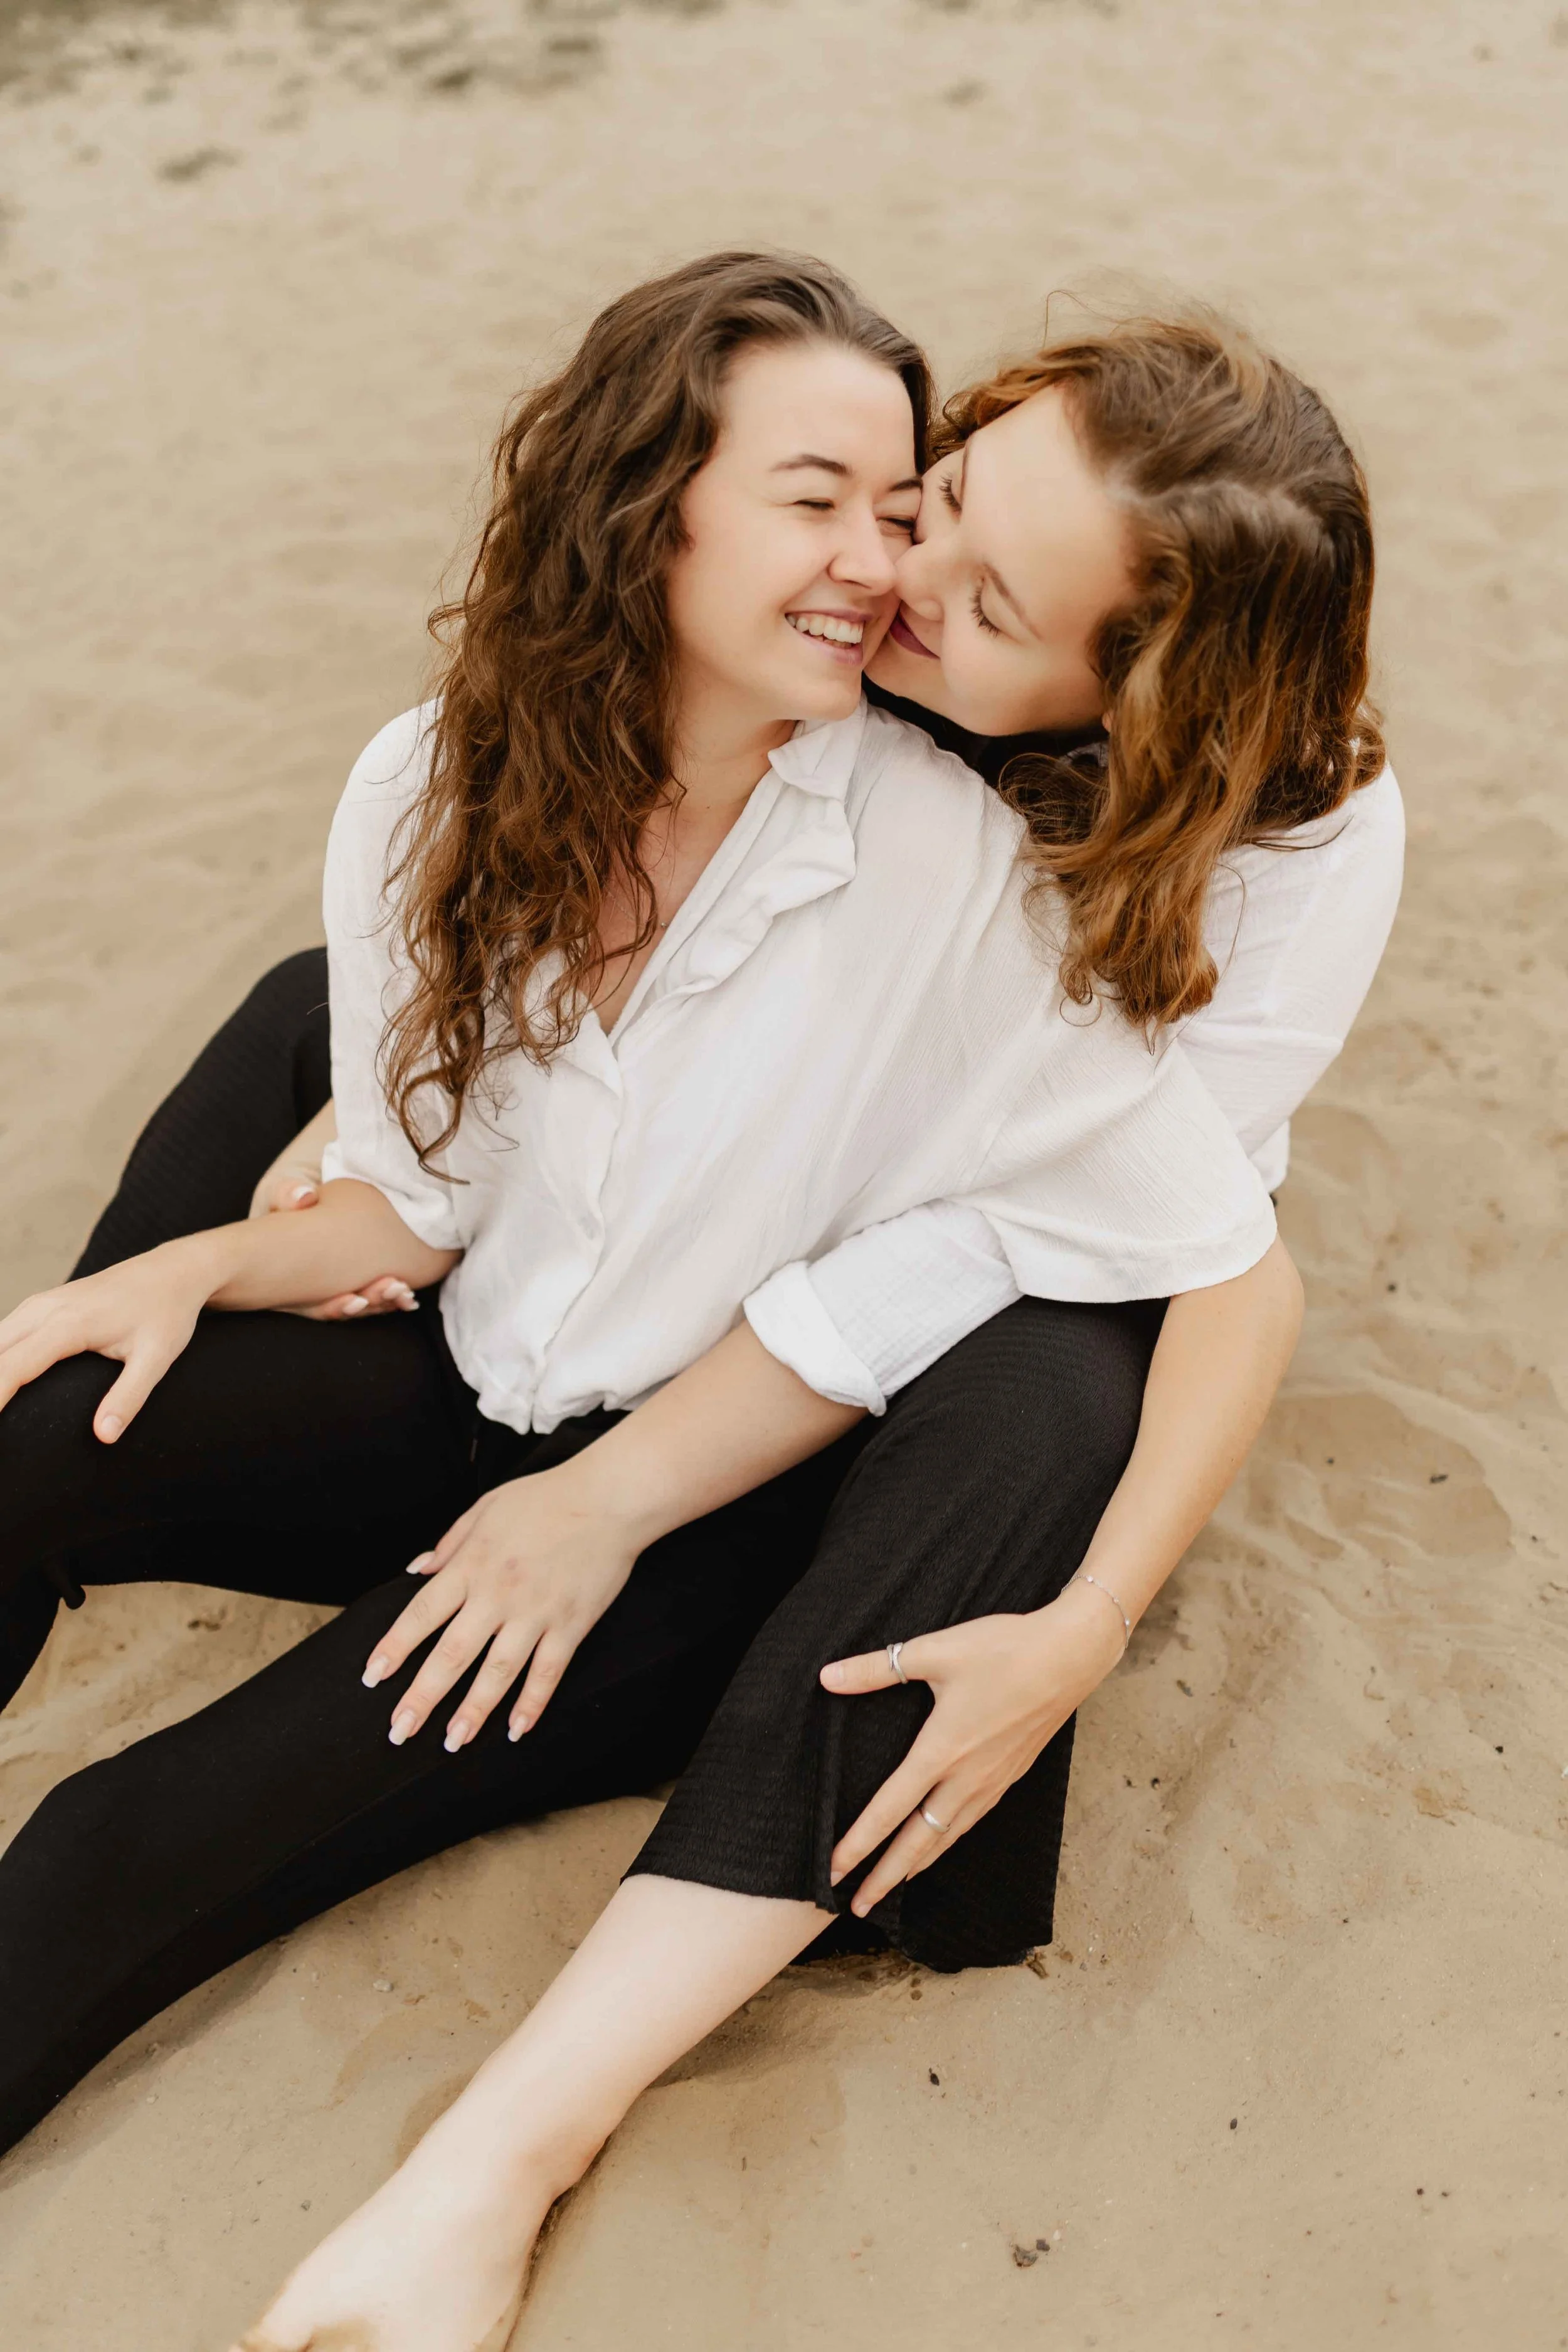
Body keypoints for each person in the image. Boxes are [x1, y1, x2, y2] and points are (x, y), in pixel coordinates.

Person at [0, 255, 1353, 2352]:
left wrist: (1056, 1621)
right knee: (79, 1361)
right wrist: (234, 1242)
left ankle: (500, 2158)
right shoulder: (440, 776)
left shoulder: (994, 894)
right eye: (887, 496)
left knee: (129, 1835)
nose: (892, 570)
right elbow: (430, 1188)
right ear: (649, 503)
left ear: (1115, 699)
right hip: (510, 1362)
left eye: (950, 565)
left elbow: (1197, 1263)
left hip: (779, 1466)